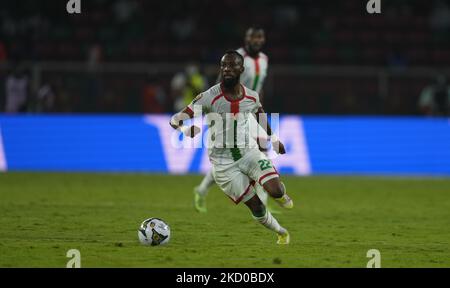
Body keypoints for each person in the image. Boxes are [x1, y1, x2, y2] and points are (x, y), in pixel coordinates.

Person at [169, 51, 293, 244]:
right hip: (223, 164)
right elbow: (175, 119)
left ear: (241, 69)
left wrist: (274, 139)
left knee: (276, 190)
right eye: (224, 65)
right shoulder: (208, 97)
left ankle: (281, 195)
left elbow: (260, 115)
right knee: (257, 207)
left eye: (232, 65)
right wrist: (185, 130)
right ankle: (282, 232)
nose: (227, 69)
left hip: (249, 152)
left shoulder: (251, 97)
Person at [193, 27, 276, 213]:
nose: (256, 40)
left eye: (260, 36)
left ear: (263, 39)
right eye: (253, 36)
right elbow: (219, 84)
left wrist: (257, 104)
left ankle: (263, 202)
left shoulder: (264, 60)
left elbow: (258, 86)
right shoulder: (236, 59)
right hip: (230, 113)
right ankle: (201, 190)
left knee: (261, 152)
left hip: (250, 111)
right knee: (231, 157)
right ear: (246, 38)